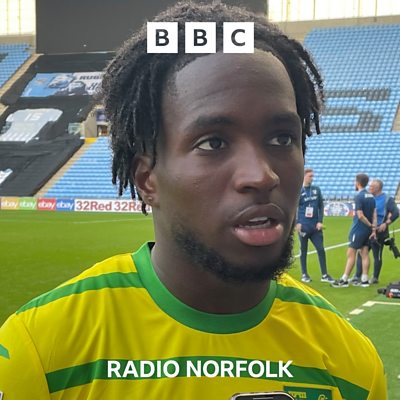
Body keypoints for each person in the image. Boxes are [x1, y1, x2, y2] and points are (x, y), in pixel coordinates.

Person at [0, 3, 386, 399]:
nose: (262, 175)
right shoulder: (40, 353)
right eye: (213, 143)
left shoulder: (351, 366)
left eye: (282, 138)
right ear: (147, 179)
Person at [331, 173, 377, 288]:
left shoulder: (359, 196)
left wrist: (369, 224)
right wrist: (373, 228)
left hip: (359, 229)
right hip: (367, 231)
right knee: (365, 254)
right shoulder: (371, 196)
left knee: (351, 253)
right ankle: (364, 280)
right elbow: (374, 213)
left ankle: (344, 279)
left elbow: (360, 215)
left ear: (358, 183)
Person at [353, 179, 399, 284]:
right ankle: (357, 276)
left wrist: (386, 223)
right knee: (361, 253)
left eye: (371, 187)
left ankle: (375, 277)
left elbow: (396, 213)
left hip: (379, 231)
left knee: (377, 254)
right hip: (366, 229)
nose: (369, 188)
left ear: (378, 188)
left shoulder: (387, 199)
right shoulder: (368, 197)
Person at [295, 168, 334, 283]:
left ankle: (324, 274)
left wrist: (320, 221)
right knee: (303, 251)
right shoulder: (298, 191)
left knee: (321, 249)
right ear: (304, 177)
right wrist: (297, 223)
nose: (312, 178)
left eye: (313, 176)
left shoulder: (316, 190)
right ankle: (304, 274)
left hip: (315, 226)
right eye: (310, 176)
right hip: (304, 226)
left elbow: (321, 206)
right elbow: (294, 208)